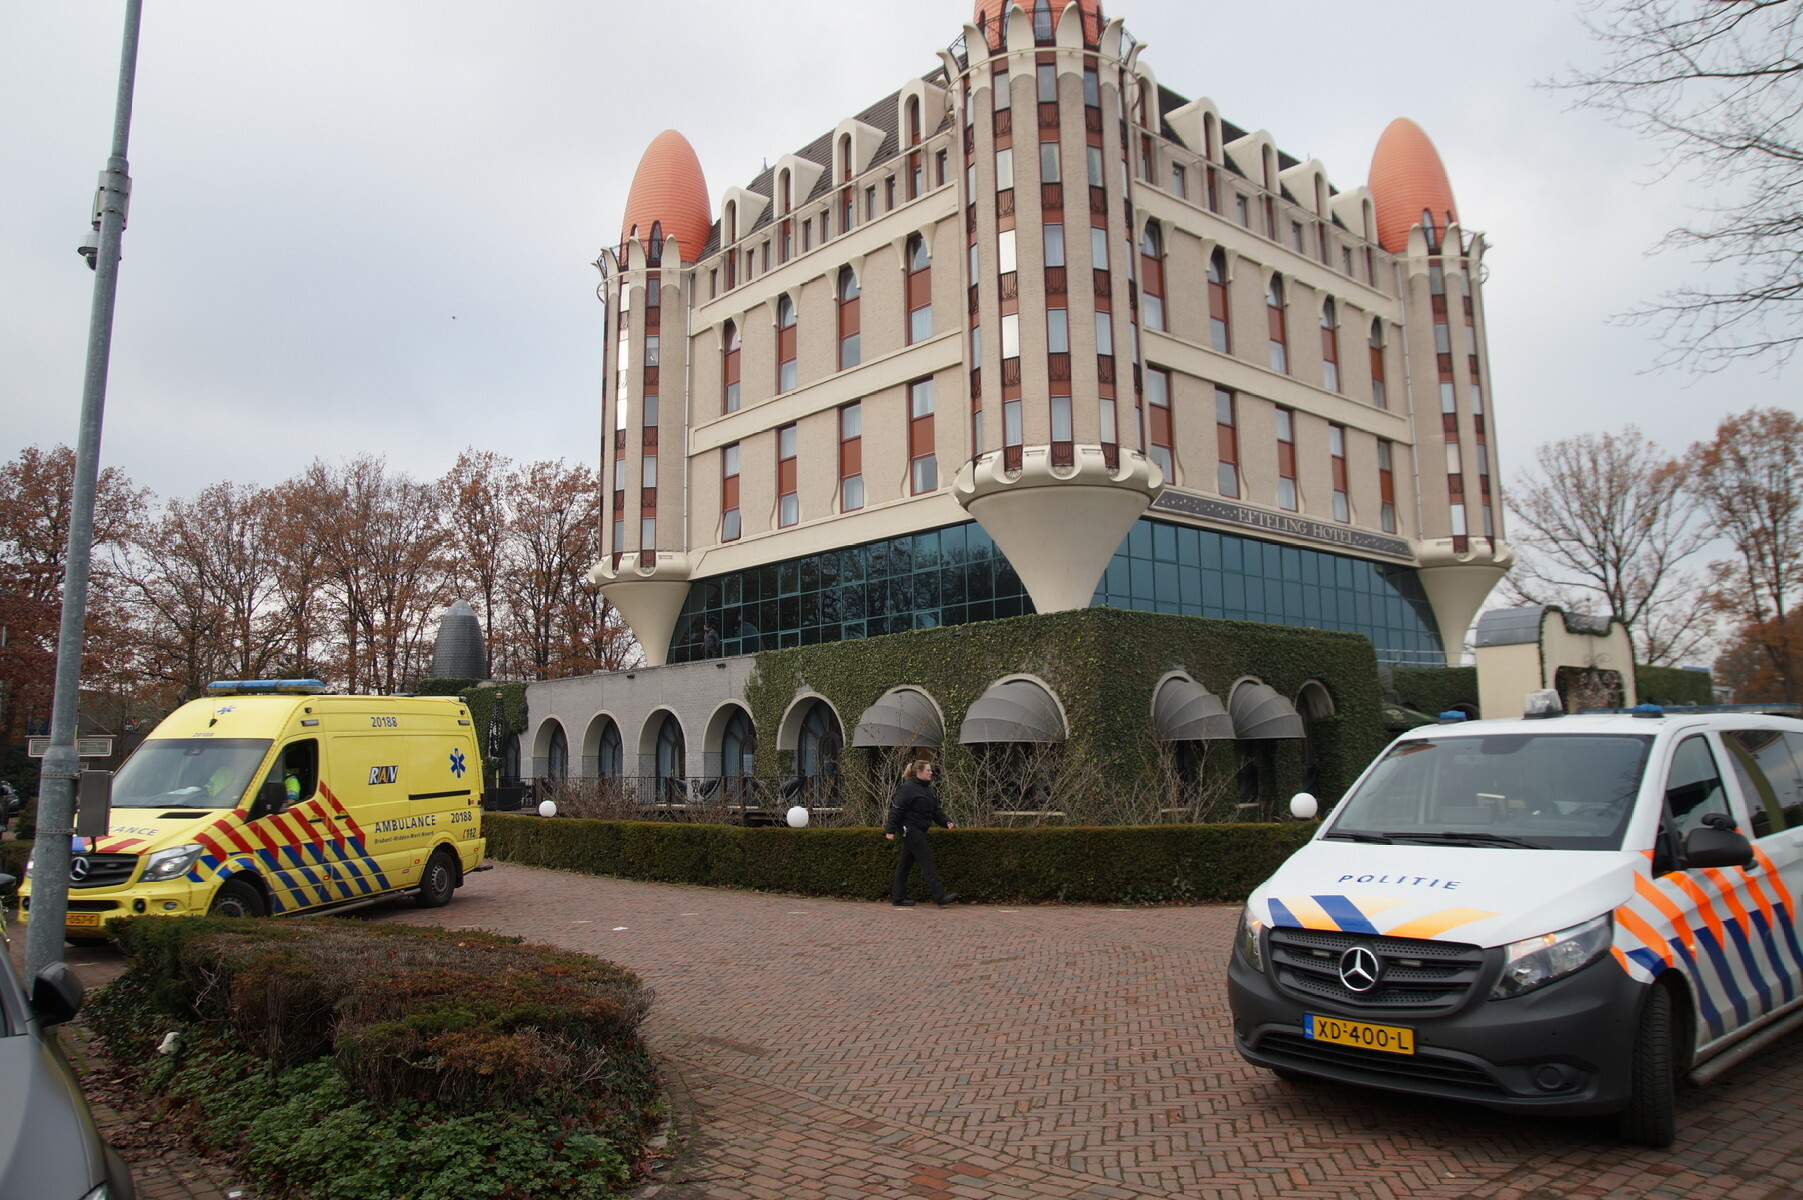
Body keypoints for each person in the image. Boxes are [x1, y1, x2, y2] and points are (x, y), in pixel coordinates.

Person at [884, 760, 959, 907]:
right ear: (919, 772)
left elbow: (936, 810)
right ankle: (940, 896)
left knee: (904, 864)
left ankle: (898, 897)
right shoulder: (908, 789)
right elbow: (896, 809)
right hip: (910, 830)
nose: (931, 773)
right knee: (927, 860)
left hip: (919, 829)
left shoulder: (929, 790)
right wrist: (890, 830)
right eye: (928, 770)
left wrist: (946, 822)